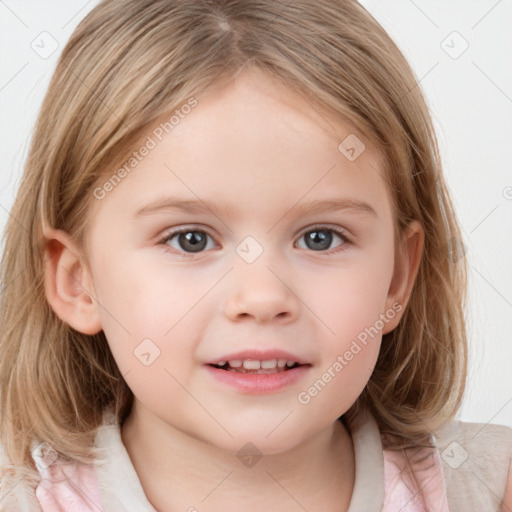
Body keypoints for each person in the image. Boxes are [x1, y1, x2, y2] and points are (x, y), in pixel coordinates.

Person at [1, 0, 511, 510]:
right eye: (190, 239)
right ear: (78, 281)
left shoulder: (491, 487)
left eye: (321, 237)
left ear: (398, 277)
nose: (263, 297)